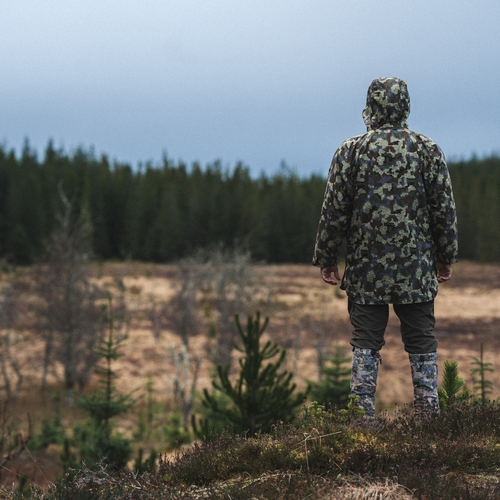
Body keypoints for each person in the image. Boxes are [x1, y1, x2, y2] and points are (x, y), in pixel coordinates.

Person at [312, 77, 458, 418]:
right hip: (416, 270)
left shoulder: (350, 151)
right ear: (404, 106)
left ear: (371, 108)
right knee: (422, 341)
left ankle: (361, 420)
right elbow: (444, 209)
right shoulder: (427, 149)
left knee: (365, 342)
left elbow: (334, 210)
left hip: (366, 271)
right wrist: (446, 256)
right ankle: (428, 418)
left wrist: (327, 257)